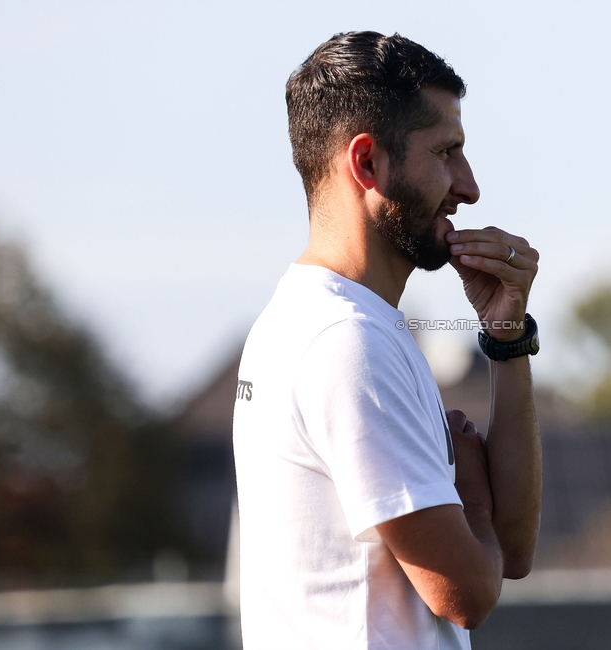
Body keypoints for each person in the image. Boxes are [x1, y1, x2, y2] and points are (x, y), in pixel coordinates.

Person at [232, 31, 541, 649]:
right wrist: (471, 498)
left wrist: (506, 339)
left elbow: (511, 552)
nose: (470, 186)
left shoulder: (329, 324)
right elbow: (468, 594)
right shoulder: (345, 344)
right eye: (446, 152)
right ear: (367, 162)